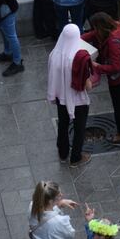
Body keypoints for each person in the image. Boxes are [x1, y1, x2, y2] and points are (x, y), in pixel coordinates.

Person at [82, 13, 120, 144]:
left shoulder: (112, 42)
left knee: (119, 105)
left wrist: (98, 67)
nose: (93, 30)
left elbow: (116, 67)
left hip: (117, 78)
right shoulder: (117, 26)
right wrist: (76, 39)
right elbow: (91, 34)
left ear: (100, 26)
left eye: (95, 27)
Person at [48, 23, 92, 167]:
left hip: (60, 98)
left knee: (63, 124)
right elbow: (88, 86)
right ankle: (76, 158)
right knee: (79, 129)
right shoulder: (79, 59)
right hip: (78, 100)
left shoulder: (54, 54)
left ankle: (63, 153)